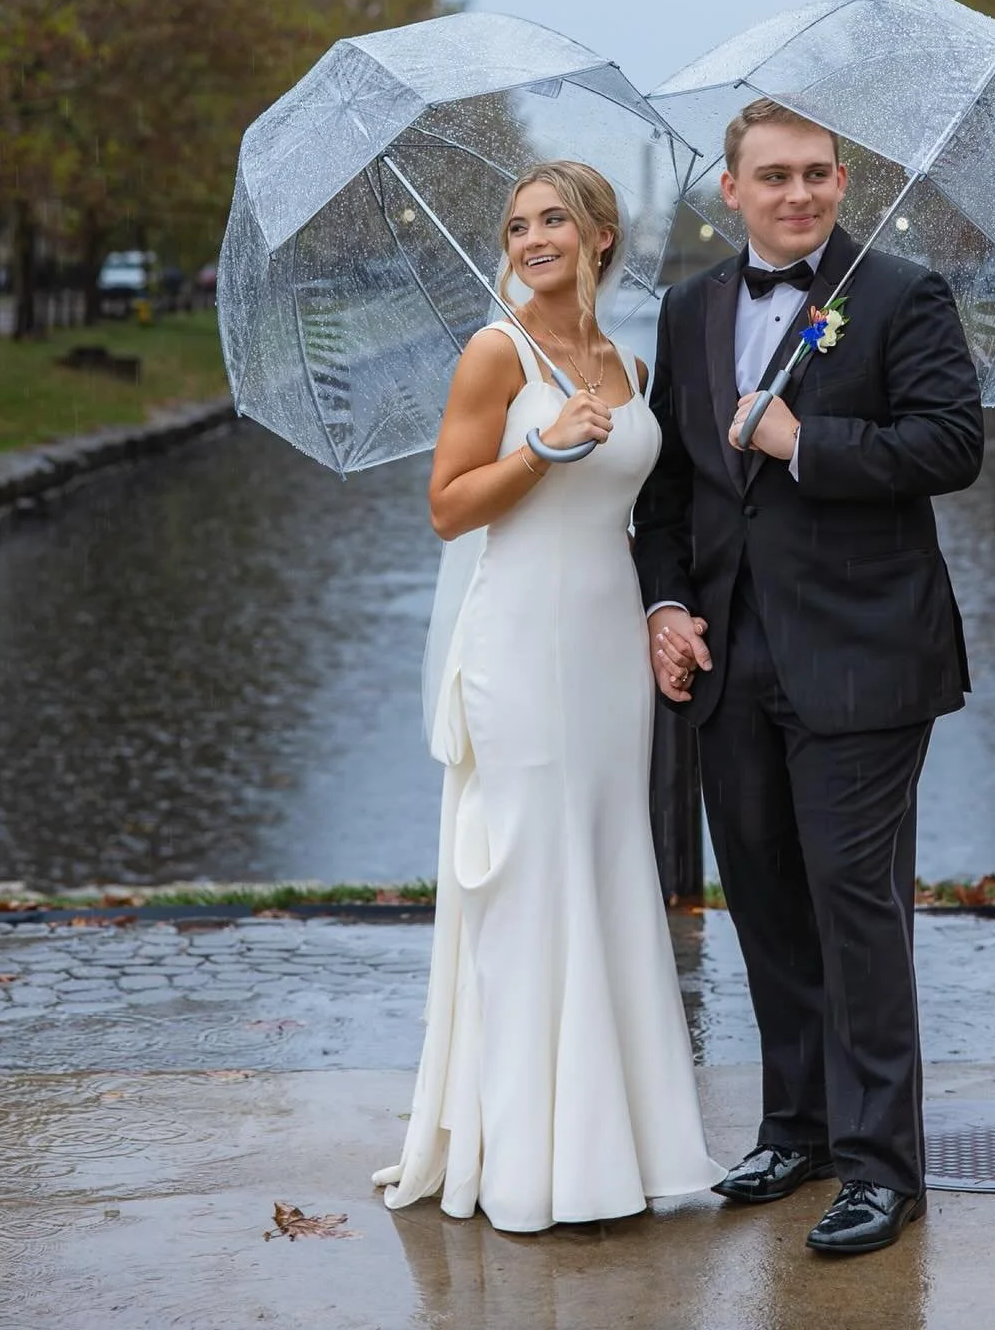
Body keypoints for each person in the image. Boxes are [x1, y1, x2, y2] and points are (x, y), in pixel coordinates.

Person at [634, 98, 983, 1257]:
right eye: (774, 176)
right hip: (730, 665)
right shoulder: (686, 312)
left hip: (867, 659)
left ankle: (886, 1167)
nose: (799, 194)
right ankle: (800, 1128)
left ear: (843, 183)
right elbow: (669, 497)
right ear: (728, 191)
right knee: (769, 905)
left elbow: (951, 444)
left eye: (819, 175)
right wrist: (668, 603)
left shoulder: (899, 295)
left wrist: (805, 444)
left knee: (856, 909)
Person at [374, 159, 724, 1232]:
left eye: (555, 222)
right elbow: (446, 507)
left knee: (611, 867)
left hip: (609, 646)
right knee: (531, 880)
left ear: (601, 236)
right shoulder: (497, 351)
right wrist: (539, 446)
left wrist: (666, 614)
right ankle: (529, 1160)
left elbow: (641, 508)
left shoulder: (625, 359)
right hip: (519, 648)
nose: (532, 239)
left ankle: (626, 1145)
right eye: (519, 225)